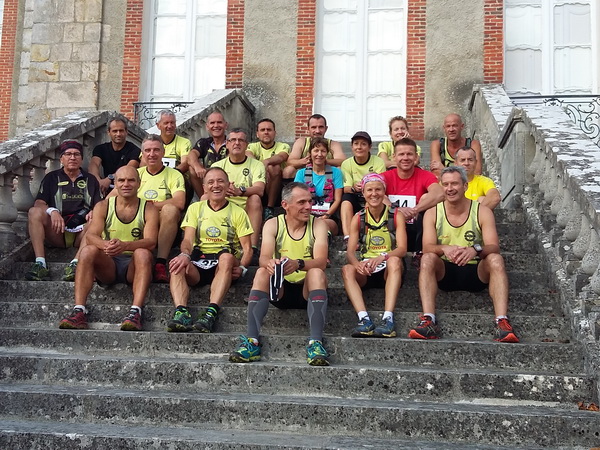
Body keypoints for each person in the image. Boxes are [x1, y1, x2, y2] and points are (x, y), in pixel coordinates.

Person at [408, 166, 519, 343]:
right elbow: (428, 247)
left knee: (496, 259)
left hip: (476, 270)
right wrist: (444, 248)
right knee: (427, 258)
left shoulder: (482, 211)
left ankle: (502, 322)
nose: (450, 188)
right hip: (445, 271)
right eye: (445, 184)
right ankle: (428, 320)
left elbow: (494, 246)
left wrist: (475, 249)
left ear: (465, 186)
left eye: (454, 183)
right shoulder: (432, 212)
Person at [229, 182, 330, 366]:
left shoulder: (318, 224)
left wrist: (298, 263)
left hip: (308, 290)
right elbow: (264, 258)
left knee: (316, 272)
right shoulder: (273, 223)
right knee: (261, 272)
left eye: (310, 201)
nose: (308, 206)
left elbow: (321, 261)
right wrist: (272, 264)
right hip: (281, 289)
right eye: (301, 202)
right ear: (285, 205)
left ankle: (315, 343)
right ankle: (252, 341)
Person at [58, 166, 159, 331]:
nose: (126, 184)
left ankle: (136, 312)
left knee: (143, 253)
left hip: (133, 265)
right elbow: (91, 236)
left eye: (131, 180)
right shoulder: (103, 205)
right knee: (87, 250)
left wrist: (125, 245)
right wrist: (105, 245)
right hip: (109, 263)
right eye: (121, 180)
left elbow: (151, 242)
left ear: (139, 183)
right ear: (116, 184)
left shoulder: (148, 208)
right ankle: (79, 310)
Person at [167, 167, 253, 333]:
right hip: (199, 260)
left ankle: (211, 312)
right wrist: (184, 255)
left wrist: (242, 268)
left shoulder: (238, 212)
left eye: (221, 181)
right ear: (204, 187)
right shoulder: (195, 209)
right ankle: (181, 312)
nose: (216, 185)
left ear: (228, 185)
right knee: (177, 263)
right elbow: (187, 240)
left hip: (224, 263)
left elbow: (247, 249)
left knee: (227, 257)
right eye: (211, 182)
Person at [25, 140, 101, 282]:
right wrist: (52, 211)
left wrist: (95, 212)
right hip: (57, 231)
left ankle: (75, 264)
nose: (73, 157)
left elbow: (100, 205)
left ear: (82, 159)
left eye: (77, 154)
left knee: (98, 218)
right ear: (61, 158)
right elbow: (39, 203)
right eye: (68, 154)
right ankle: (40, 264)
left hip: (82, 233)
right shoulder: (51, 178)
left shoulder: (91, 180)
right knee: (34, 212)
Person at [342, 173, 407, 338]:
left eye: (378, 189)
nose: (374, 193)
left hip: (388, 267)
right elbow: (350, 252)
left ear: (384, 192)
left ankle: (388, 319)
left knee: (394, 260)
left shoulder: (395, 214)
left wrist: (383, 257)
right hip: (367, 268)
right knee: (347, 269)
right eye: (369, 190)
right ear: (363, 193)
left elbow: (402, 248)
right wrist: (357, 265)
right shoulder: (358, 218)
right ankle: (364, 319)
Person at [381, 138, 444, 255]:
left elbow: (439, 193)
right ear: (394, 157)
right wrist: (397, 210)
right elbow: (372, 194)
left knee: (427, 198)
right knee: (376, 195)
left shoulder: (425, 175)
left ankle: (419, 252)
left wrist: (414, 210)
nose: (405, 158)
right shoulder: (385, 176)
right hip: (391, 227)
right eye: (401, 154)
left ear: (416, 157)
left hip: (417, 226)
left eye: (409, 154)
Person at [137, 135, 186, 282]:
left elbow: (180, 202)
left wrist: (149, 205)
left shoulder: (174, 174)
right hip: (140, 219)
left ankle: (160, 262)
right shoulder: (135, 174)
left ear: (163, 153)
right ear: (143, 154)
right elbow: (112, 197)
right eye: (148, 150)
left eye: (156, 150)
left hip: (163, 222)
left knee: (170, 209)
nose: (152, 154)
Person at [212, 128, 265, 257]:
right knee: (203, 198)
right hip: (225, 205)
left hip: (246, 207)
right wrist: (224, 191)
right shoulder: (217, 166)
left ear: (246, 145)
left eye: (241, 140)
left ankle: (252, 249)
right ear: (227, 144)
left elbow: (260, 189)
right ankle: (203, 244)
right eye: (233, 140)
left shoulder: (256, 165)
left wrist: (239, 191)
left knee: (255, 199)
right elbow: (208, 190)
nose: (237, 143)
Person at [340, 131, 386, 243]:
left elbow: (381, 184)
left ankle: (369, 234)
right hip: (355, 195)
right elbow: (346, 188)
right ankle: (348, 237)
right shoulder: (346, 163)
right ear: (352, 147)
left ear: (370, 147)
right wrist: (354, 188)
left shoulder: (378, 162)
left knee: (372, 197)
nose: (359, 147)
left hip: (372, 194)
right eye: (356, 144)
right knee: (346, 200)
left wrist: (367, 187)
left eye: (363, 144)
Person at [294, 137, 343, 235]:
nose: (319, 154)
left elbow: (338, 200)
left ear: (327, 153)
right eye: (316, 150)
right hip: (306, 214)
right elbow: (296, 197)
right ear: (310, 153)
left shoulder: (336, 172)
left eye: (323, 151)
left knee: (322, 225)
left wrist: (326, 215)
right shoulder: (301, 173)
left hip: (328, 216)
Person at [247, 118, 290, 220]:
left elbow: (281, 157)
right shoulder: (252, 146)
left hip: (276, 189)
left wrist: (266, 162)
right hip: (258, 186)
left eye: (269, 130)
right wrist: (261, 168)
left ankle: (269, 208)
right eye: (262, 130)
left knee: (273, 167)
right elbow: (248, 155)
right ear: (257, 134)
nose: (266, 132)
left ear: (275, 133)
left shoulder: (283, 146)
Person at [282, 114, 346, 180]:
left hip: (327, 174)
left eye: (321, 127)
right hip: (304, 174)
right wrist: (303, 161)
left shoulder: (333, 144)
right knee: (288, 170)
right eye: (314, 127)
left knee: (340, 169)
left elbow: (343, 161)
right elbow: (290, 162)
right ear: (308, 129)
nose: (317, 131)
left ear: (326, 128)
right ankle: (289, 190)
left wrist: (322, 161)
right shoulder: (301, 142)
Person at [88, 115, 140, 196]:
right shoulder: (100, 148)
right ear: (109, 132)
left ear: (127, 132)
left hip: (124, 188)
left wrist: (109, 178)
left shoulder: (135, 150)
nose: (118, 134)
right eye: (115, 131)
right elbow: (93, 164)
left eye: (121, 131)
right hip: (104, 188)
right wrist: (98, 181)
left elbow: (128, 169)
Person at [188, 111, 229, 196]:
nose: (216, 126)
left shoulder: (231, 142)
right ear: (207, 127)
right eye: (212, 123)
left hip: (227, 177)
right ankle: (203, 198)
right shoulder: (204, 142)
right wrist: (197, 166)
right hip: (209, 179)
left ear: (226, 125)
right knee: (192, 169)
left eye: (219, 122)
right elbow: (192, 155)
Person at [430, 113, 482, 178]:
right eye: (448, 126)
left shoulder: (473, 144)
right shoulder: (437, 145)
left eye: (455, 126)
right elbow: (436, 172)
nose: (451, 129)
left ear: (462, 126)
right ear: (444, 128)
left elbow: (477, 172)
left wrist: (443, 169)